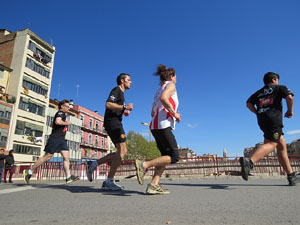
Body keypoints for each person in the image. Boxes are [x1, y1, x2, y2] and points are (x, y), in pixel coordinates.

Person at [240, 72, 300, 186]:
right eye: (277, 79)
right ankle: (250, 162)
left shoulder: (258, 93)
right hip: (274, 119)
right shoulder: (279, 88)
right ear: (274, 79)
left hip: (262, 120)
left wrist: (257, 112)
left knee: (281, 146)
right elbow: (290, 98)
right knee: (272, 143)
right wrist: (290, 111)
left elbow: (248, 104)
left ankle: (291, 175)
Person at [135, 64, 181, 194]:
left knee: (165, 157)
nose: (177, 79)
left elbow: (152, 112)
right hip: (163, 125)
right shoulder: (171, 85)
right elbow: (164, 98)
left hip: (154, 126)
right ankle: (144, 165)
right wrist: (174, 114)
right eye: (176, 76)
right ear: (172, 76)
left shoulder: (158, 89)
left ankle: (153, 185)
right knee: (174, 157)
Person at [86, 73, 133, 190]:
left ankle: (93, 164)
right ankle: (109, 181)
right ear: (122, 81)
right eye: (129, 80)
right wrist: (124, 108)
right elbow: (108, 104)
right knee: (123, 150)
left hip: (115, 122)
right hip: (113, 123)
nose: (131, 82)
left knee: (120, 152)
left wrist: (123, 111)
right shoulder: (116, 90)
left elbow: (115, 107)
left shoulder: (121, 94)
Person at [23, 99, 79, 184]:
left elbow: (52, 124)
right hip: (55, 139)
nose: (69, 108)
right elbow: (57, 121)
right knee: (47, 157)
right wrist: (66, 123)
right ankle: (29, 171)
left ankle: (68, 177)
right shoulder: (60, 113)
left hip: (62, 140)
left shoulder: (63, 114)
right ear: (62, 107)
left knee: (66, 157)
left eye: (69, 107)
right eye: (67, 107)